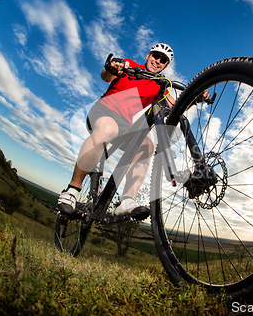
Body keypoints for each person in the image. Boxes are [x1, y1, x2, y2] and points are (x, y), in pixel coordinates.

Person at [58, 43, 208, 220]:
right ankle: (73, 189)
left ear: (166, 66)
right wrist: (112, 66)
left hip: (124, 126)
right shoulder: (130, 66)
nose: (157, 61)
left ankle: (127, 200)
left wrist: (195, 97)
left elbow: (175, 107)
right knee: (107, 129)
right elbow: (106, 76)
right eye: (156, 56)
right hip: (103, 112)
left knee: (147, 145)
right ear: (148, 56)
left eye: (163, 60)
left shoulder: (158, 86)